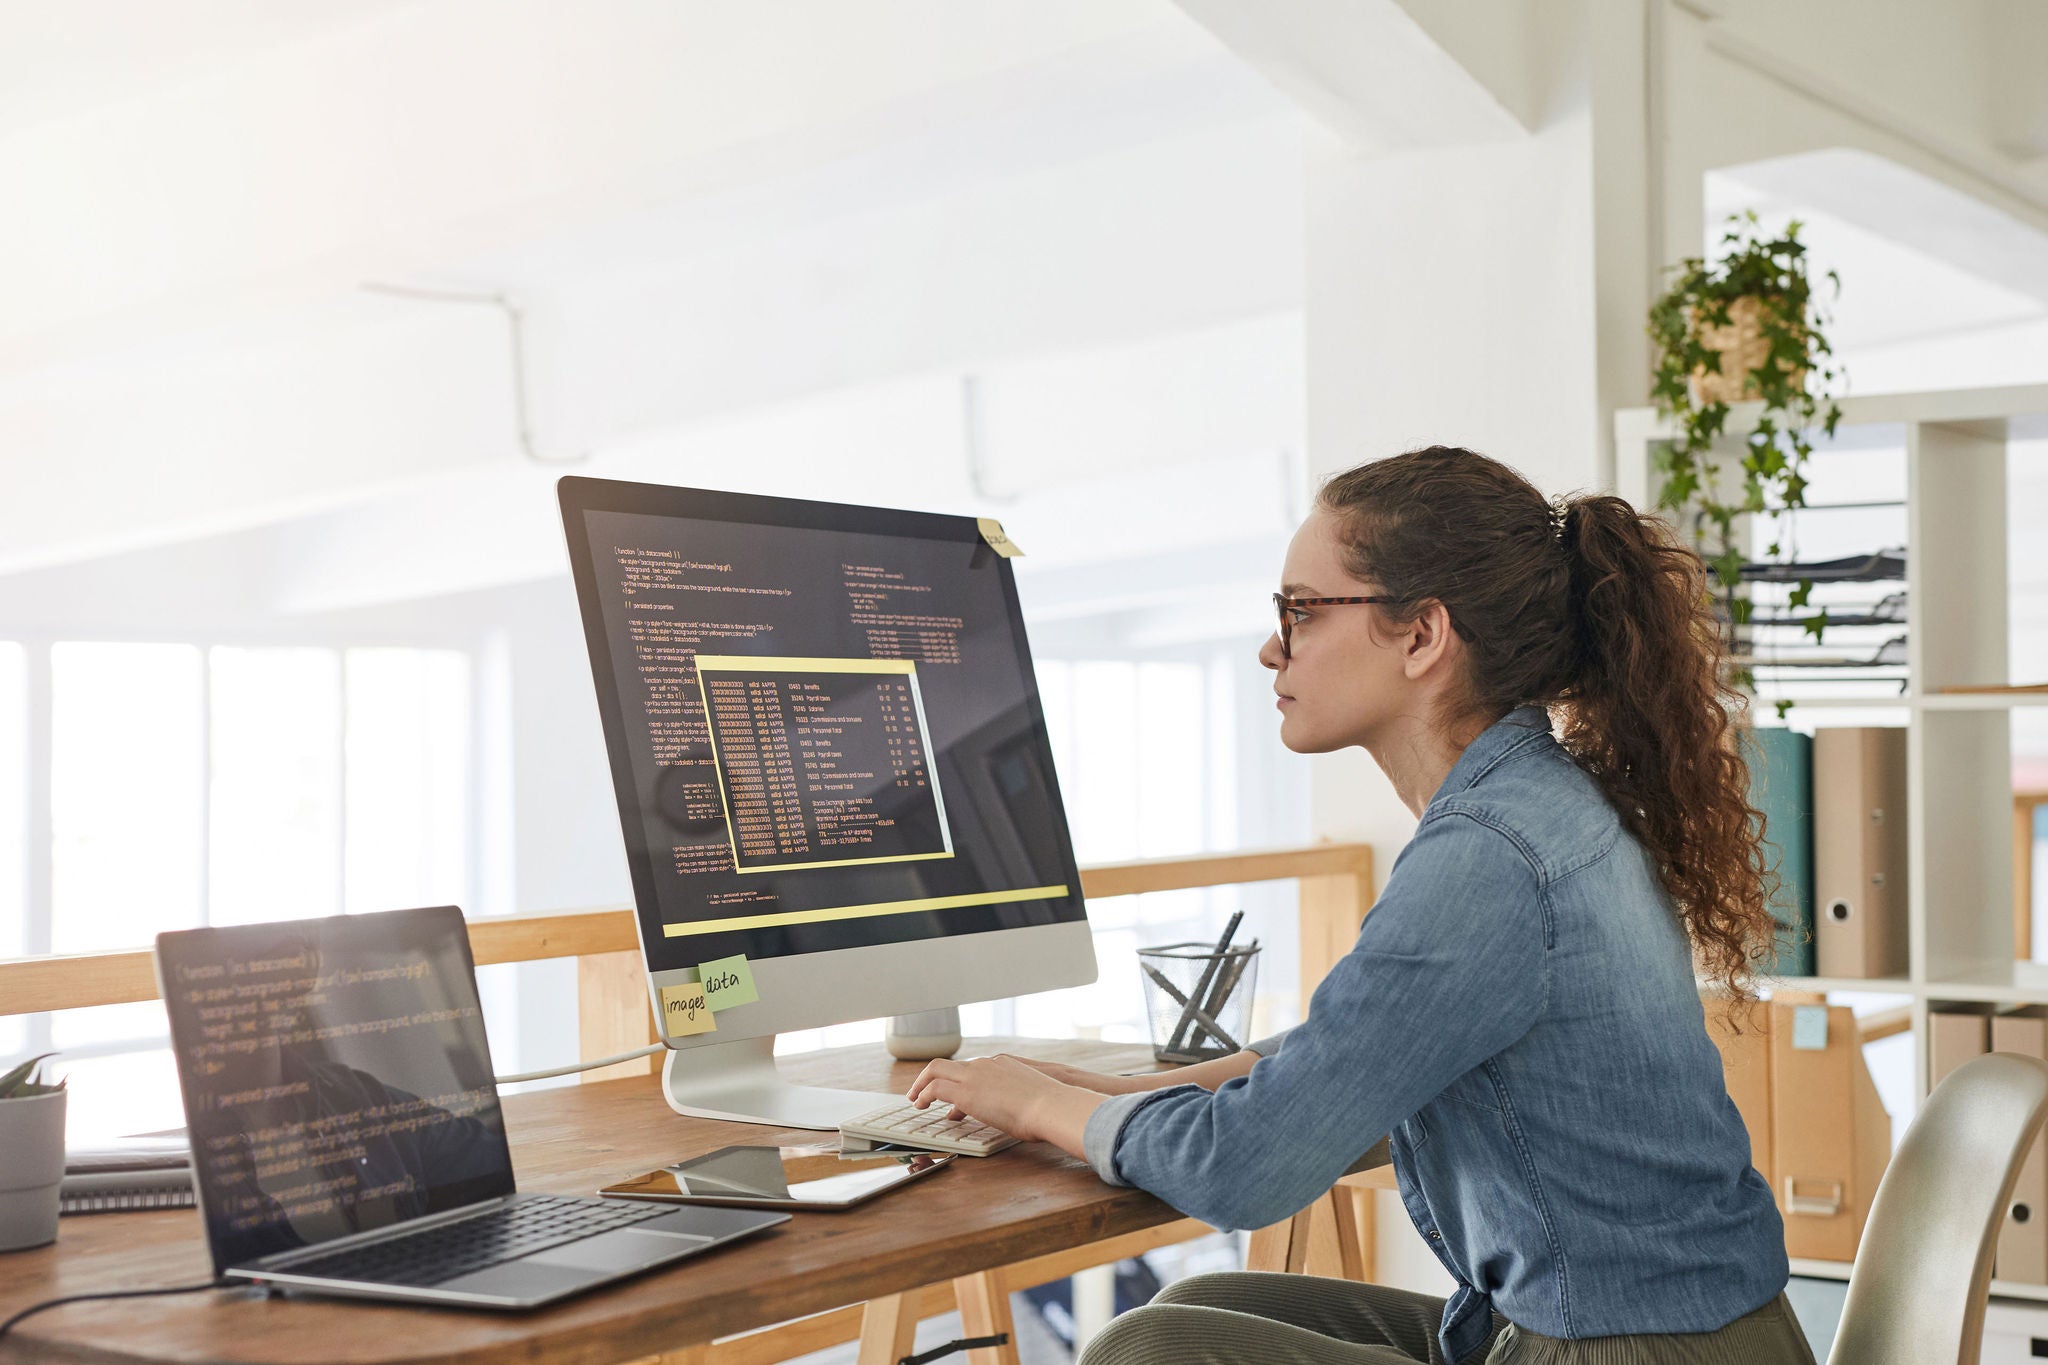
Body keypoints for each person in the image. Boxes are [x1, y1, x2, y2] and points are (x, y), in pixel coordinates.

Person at [907, 446, 1816, 1363]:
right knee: (1198, 1305)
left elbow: (1247, 1166)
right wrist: (1126, 1092)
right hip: (1661, 1330)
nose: (1272, 646)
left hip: (1636, 1351)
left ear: (1422, 635)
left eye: (1299, 611)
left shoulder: (1490, 855)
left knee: (1153, 1353)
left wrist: (1032, 1104)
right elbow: (1362, 1060)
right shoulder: (1529, 804)